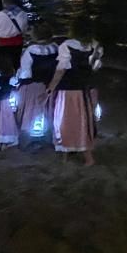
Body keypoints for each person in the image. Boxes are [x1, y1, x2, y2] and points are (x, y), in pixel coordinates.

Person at [46, 15, 102, 165]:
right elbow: (95, 68)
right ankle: (85, 156)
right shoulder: (96, 46)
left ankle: (68, 153)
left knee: (64, 121)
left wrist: (51, 87)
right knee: (84, 122)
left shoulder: (67, 45)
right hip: (86, 90)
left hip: (68, 91)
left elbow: (60, 70)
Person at [15, 20, 58, 138]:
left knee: (32, 110)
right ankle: (50, 131)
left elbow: (25, 71)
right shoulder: (55, 48)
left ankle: (32, 135)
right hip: (51, 84)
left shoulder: (31, 50)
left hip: (34, 85)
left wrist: (19, 82)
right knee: (50, 108)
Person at [0, 0, 29, 77]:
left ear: (3, 2)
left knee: (3, 64)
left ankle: (4, 79)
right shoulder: (23, 14)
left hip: (3, 43)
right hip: (18, 42)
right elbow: (24, 29)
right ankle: (16, 78)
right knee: (16, 61)